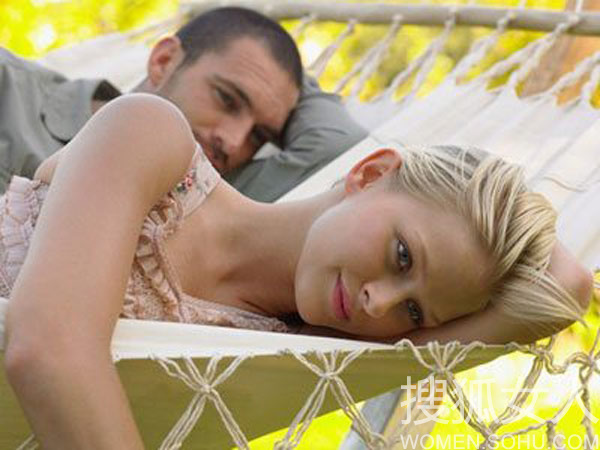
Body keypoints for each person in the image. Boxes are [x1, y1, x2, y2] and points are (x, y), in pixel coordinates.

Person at [2, 95, 592, 448]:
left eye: (415, 312)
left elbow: (568, 287)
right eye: (402, 256)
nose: (381, 303)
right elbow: (49, 348)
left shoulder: (305, 352)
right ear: (370, 173)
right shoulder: (150, 139)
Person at [0, 6, 367, 201]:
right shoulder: (10, 90)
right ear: (164, 61)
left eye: (260, 135)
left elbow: (337, 146)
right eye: (227, 99)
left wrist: (286, 68)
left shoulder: (215, 198)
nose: (234, 142)